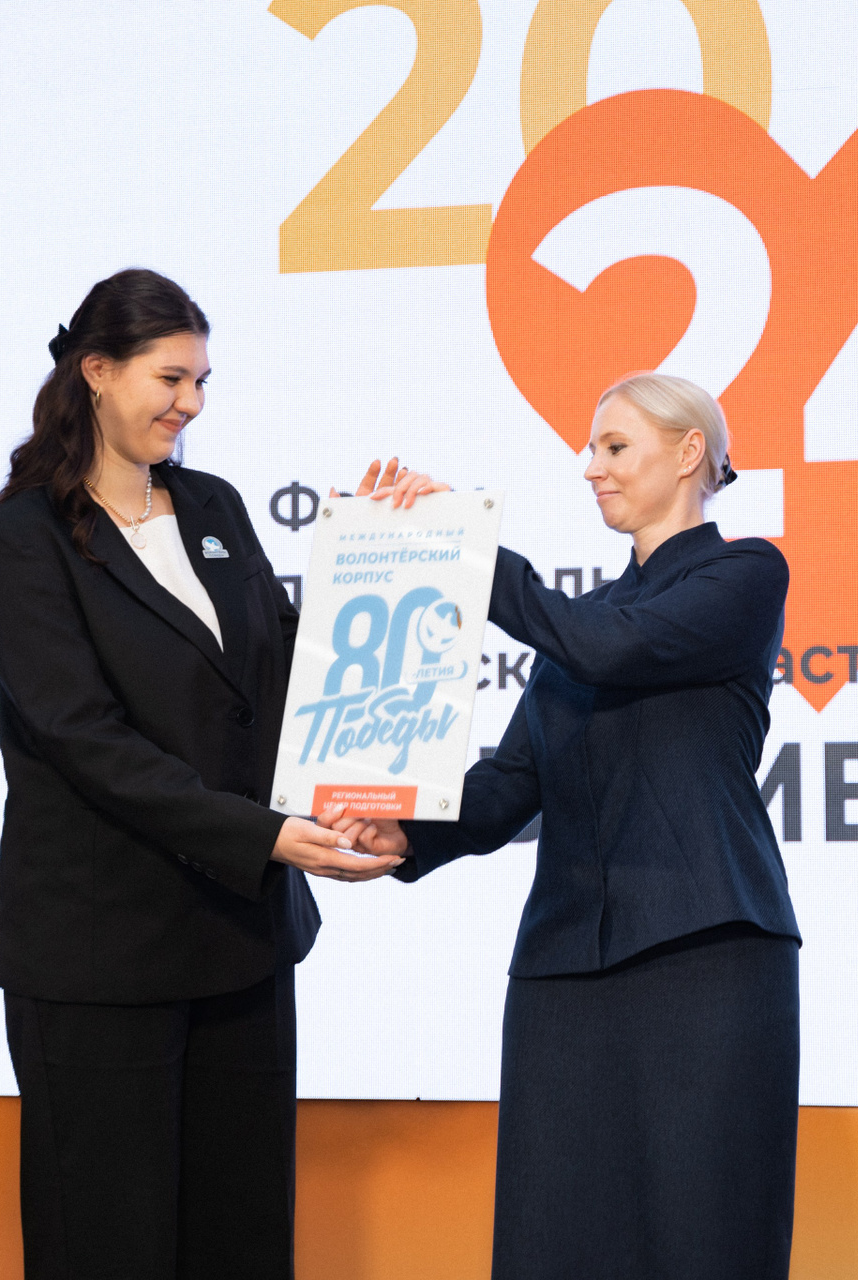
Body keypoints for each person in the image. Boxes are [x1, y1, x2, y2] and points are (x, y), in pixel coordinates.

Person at [0, 268, 400, 1280]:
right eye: (170, 378)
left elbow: (283, 668)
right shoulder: (24, 539)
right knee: (107, 1245)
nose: (191, 403)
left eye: (202, 381)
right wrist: (262, 835)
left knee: (242, 1241)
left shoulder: (213, 504)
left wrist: (382, 554)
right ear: (97, 371)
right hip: (101, 956)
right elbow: (85, 738)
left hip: (241, 941)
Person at [328, 373, 802, 1279]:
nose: (591, 468)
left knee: (704, 1232)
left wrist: (462, 545)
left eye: (614, 447)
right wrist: (406, 832)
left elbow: (613, 650)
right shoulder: (587, 620)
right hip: (563, 968)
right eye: (590, 450)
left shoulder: (743, 574)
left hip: (703, 953)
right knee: (557, 1234)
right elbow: (512, 782)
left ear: (689, 453)